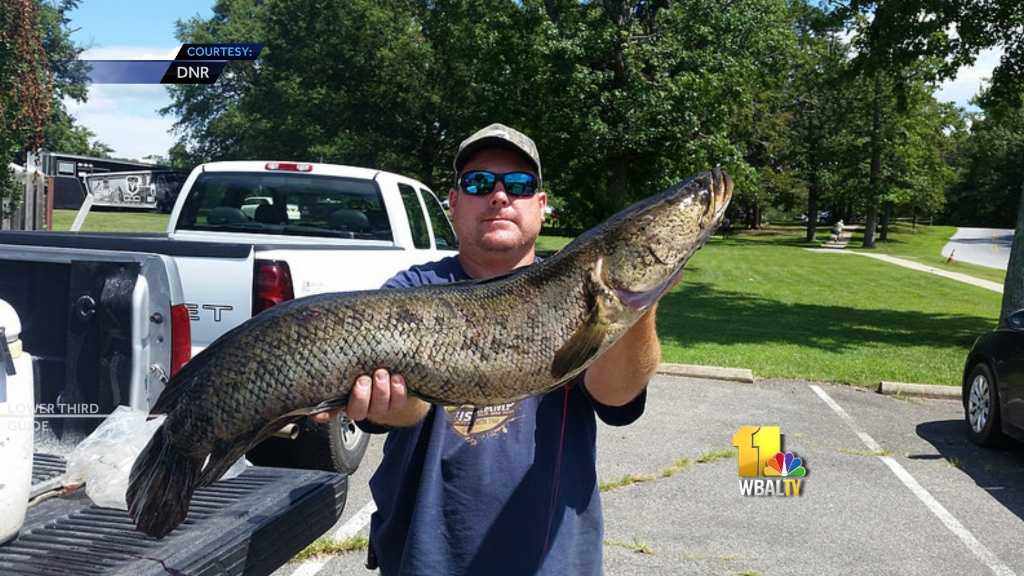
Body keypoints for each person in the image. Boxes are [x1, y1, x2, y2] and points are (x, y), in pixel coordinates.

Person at [314, 123, 660, 575]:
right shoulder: (412, 292)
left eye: (519, 185)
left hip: (553, 562)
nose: (499, 196)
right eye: (478, 183)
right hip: (424, 559)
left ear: (541, 204)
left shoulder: (577, 289)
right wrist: (389, 404)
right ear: (454, 203)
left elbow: (616, 398)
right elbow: (402, 412)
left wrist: (638, 295)